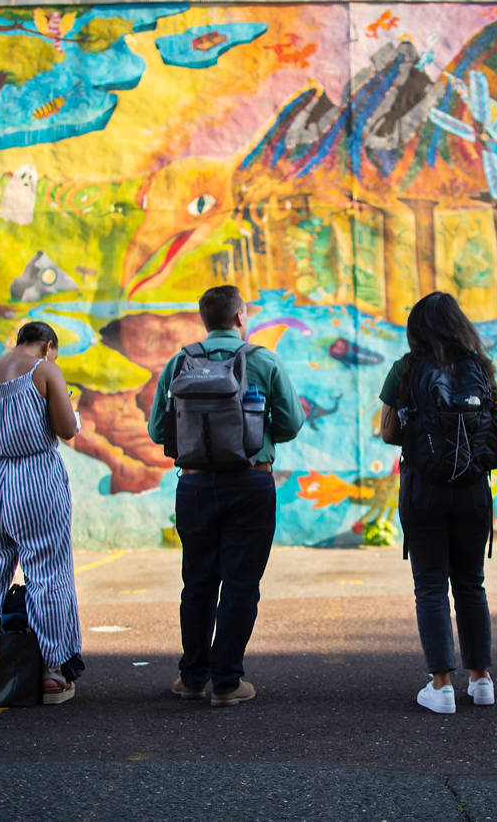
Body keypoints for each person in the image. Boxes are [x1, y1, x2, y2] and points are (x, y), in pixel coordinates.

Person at [147, 285, 303, 707]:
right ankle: (228, 683)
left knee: (197, 582)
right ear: (240, 318)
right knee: (240, 584)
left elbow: (159, 432)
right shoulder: (263, 360)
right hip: (251, 482)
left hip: (194, 485)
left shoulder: (179, 362)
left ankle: (192, 678)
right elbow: (291, 425)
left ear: (204, 319)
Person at [379, 292, 497, 714]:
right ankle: (481, 680)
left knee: (430, 585)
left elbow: (388, 432)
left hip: (424, 488)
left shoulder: (407, 368)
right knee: (471, 585)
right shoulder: (480, 368)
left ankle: (441, 686)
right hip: (473, 489)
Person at [0, 321, 83, 705]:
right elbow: (67, 430)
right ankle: (51, 671)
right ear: (48, 346)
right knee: (47, 571)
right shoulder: (44, 370)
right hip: (35, 479)